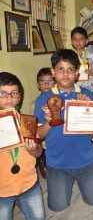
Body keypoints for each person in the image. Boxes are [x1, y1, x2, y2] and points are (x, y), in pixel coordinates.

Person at [34, 50, 93, 212]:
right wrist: (49, 121)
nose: (66, 74)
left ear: (77, 73)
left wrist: (89, 109)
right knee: (58, 207)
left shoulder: (87, 95)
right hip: (58, 163)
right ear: (53, 72)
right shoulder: (43, 99)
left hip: (87, 160)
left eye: (70, 69)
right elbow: (38, 135)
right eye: (60, 69)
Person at [0, 72, 46, 220]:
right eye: (3, 93)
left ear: (19, 97)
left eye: (14, 93)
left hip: (29, 184)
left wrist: (33, 150)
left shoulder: (27, 122)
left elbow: (39, 153)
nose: (9, 98)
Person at [29, 67, 55, 179]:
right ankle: (41, 161)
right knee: (47, 175)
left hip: (57, 139)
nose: (46, 84)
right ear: (37, 85)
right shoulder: (34, 104)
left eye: (50, 81)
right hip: (43, 144)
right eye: (42, 81)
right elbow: (31, 128)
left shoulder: (59, 100)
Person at [71, 26, 93, 95]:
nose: (78, 41)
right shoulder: (68, 56)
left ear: (86, 41)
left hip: (88, 89)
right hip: (72, 88)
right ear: (72, 42)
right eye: (75, 39)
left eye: (81, 39)